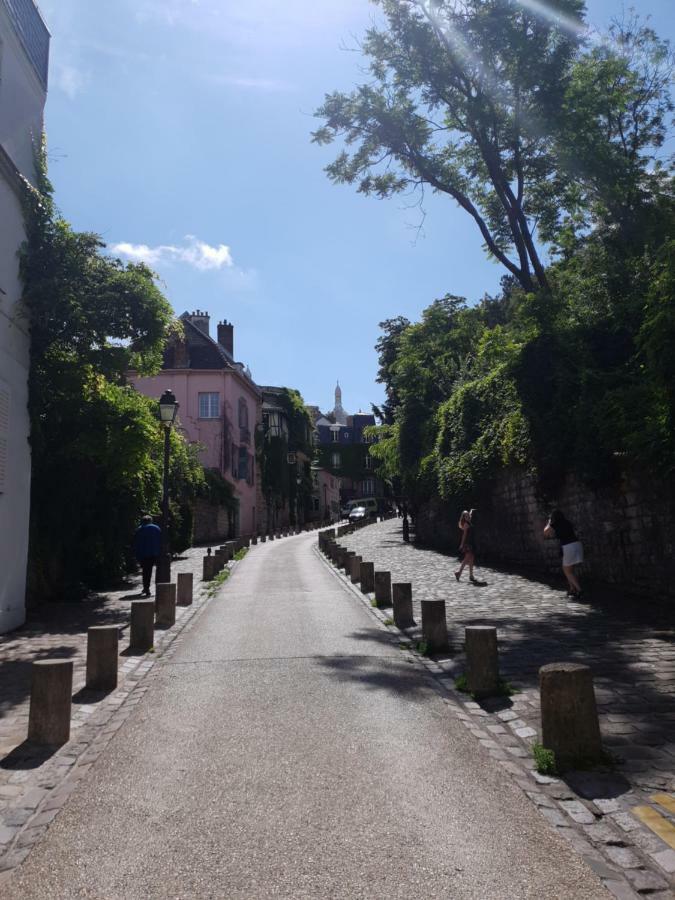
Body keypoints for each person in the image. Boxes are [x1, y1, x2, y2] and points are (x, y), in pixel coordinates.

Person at [544, 509, 584, 599]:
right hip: (577, 544)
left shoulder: (555, 524)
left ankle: (579, 589)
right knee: (569, 570)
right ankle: (572, 589)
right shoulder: (567, 522)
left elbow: (545, 532)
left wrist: (549, 522)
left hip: (569, 546)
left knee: (567, 571)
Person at [133, 515, 162, 597]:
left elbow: (137, 543)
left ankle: (146, 588)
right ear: (151, 521)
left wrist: (136, 556)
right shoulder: (157, 528)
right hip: (156, 553)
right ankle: (160, 588)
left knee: (146, 572)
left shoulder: (140, 529)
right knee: (158, 571)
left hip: (144, 554)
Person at [455, 509, 478, 584]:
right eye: (466, 515)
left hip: (471, 542)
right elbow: (464, 535)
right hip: (468, 544)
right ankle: (459, 572)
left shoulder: (469, 520)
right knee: (467, 558)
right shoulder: (466, 524)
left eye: (468, 515)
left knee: (471, 558)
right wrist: (461, 544)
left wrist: (471, 510)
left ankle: (471, 575)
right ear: (464, 517)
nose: (468, 516)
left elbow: (470, 514)